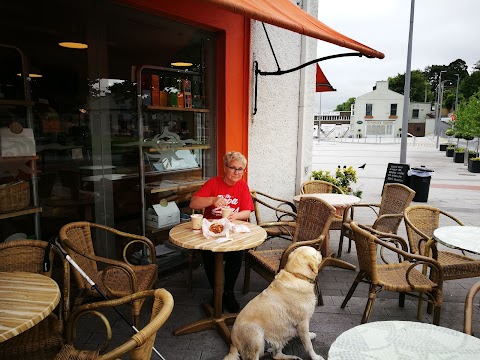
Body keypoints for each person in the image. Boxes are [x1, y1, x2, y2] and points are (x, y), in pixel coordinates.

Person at [190, 151, 254, 312]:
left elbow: (247, 211)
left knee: (237, 255)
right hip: (212, 231)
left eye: (240, 169)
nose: (237, 172)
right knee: (209, 255)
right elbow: (194, 203)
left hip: (233, 231)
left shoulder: (243, 185)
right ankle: (217, 292)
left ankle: (228, 292)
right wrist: (212, 200)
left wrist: (234, 215)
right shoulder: (214, 183)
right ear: (225, 168)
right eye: (233, 168)